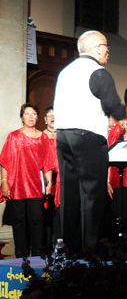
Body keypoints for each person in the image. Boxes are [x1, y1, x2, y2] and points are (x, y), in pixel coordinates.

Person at [53, 30, 127, 255]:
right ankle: (89, 247)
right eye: (107, 47)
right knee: (92, 192)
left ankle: (69, 247)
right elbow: (114, 110)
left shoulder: (64, 72)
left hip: (63, 136)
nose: (108, 51)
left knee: (70, 193)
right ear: (98, 48)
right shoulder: (98, 72)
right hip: (87, 137)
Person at [1, 103, 53, 257]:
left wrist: (49, 182)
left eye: (34, 113)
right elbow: (5, 160)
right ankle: (20, 257)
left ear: (38, 117)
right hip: (17, 185)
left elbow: (48, 162)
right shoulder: (14, 136)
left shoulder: (43, 137)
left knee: (37, 221)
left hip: (36, 186)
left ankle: (37, 255)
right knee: (19, 222)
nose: (31, 117)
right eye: (27, 113)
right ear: (22, 117)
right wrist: (4, 182)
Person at [106, 116, 127, 242]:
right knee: (115, 215)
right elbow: (108, 159)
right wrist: (107, 181)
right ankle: (115, 249)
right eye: (125, 118)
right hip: (115, 181)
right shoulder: (116, 138)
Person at [42, 106, 60, 250]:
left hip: (61, 178)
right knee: (46, 213)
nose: (53, 117)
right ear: (45, 119)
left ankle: (59, 245)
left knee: (59, 211)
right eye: (50, 115)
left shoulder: (63, 135)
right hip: (45, 177)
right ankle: (46, 246)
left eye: (55, 115)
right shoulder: (41, 135)